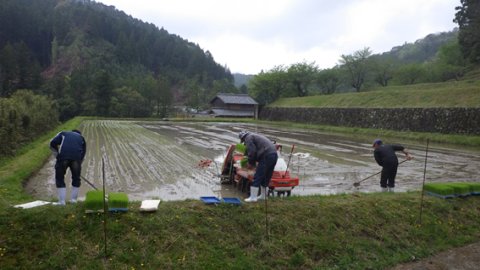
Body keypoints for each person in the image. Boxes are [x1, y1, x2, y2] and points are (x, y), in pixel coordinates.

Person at [238, 130, 278, 202]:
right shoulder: (255, 136)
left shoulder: (248, 138)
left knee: (258, 176)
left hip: (266, 155)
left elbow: (252, 151)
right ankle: (263, 196)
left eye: (243, 141)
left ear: (243, 138)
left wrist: (250, 163)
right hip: (274, 155)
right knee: (266, 176)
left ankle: (253, 198)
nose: (244, 143)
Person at [50, 129, 87, 205]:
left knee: (60, 177)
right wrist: (79, 164)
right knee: (76, 178)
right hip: (76, 159)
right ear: (79, 134)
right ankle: (73, 200)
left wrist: (57, 155)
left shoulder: (63, 133)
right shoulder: (82, 138)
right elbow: (83, 153)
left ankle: (61, 202)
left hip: (63, 157)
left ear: (71, 131)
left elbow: (52, 143)